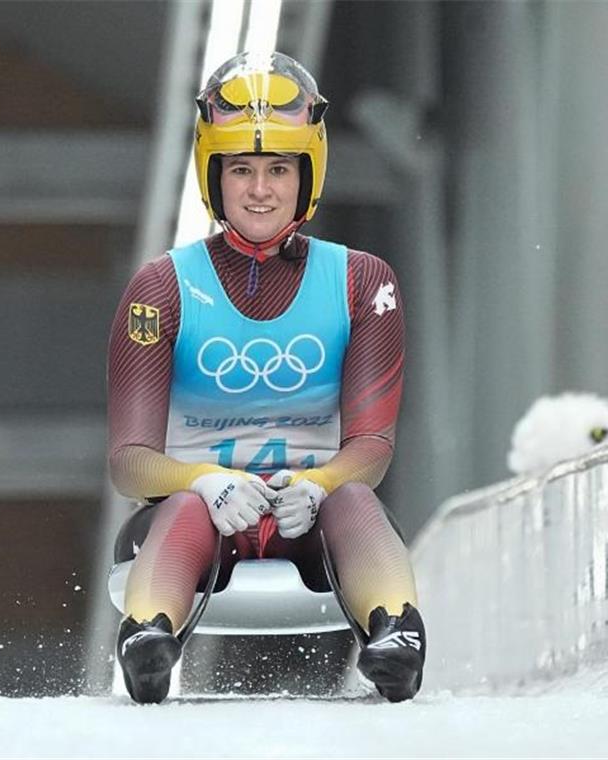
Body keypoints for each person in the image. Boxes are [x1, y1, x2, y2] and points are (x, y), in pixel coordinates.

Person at [106, 51, 425, 704]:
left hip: (314, 512)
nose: (259, 190)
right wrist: (205, 481)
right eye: (242, 169)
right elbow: (129, 463)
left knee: (357, 501)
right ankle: (148, 637)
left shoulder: (363, 282)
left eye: (278, 168)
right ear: (213, 175)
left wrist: (318, 481)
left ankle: (396, 635)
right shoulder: (161, 286)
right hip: (191, 517)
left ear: (307, 173)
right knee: (188, 509)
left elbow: (373, 448)